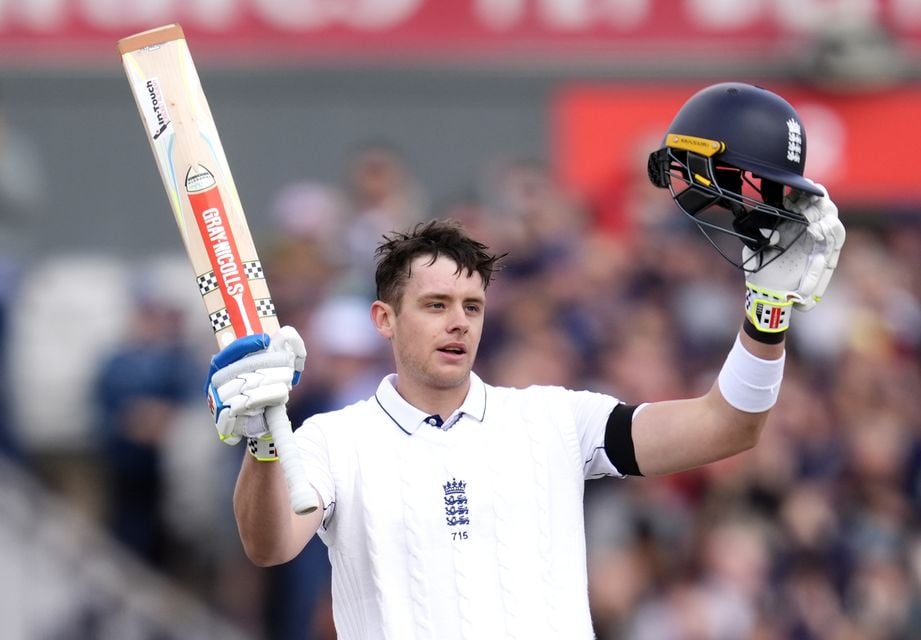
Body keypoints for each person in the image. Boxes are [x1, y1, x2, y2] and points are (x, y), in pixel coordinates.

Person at [204, 82, 845, 639]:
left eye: (472, 306)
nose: (458, 320)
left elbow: (728, 425)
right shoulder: (333, 441)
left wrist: (768, 314)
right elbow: (269, 544)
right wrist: (263, 446)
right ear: (384, 320)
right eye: (435, 305)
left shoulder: (554, 421)